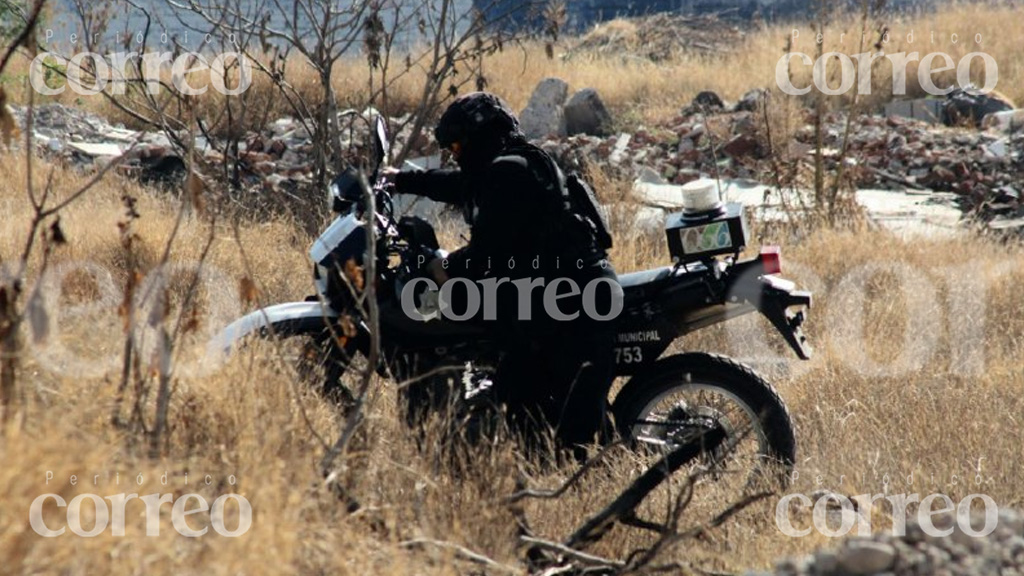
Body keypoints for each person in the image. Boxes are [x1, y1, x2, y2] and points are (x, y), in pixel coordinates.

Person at [390, 92, 621, 458]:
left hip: (574, 302)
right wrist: (402, 181)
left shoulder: (509, 172)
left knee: (531, 404)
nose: (455, 154)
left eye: (457, 145)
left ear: (480, 137)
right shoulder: (513, 164)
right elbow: (460, 184)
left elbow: (486, 253)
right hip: (559, 291)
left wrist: (442, 266)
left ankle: (559, 470)